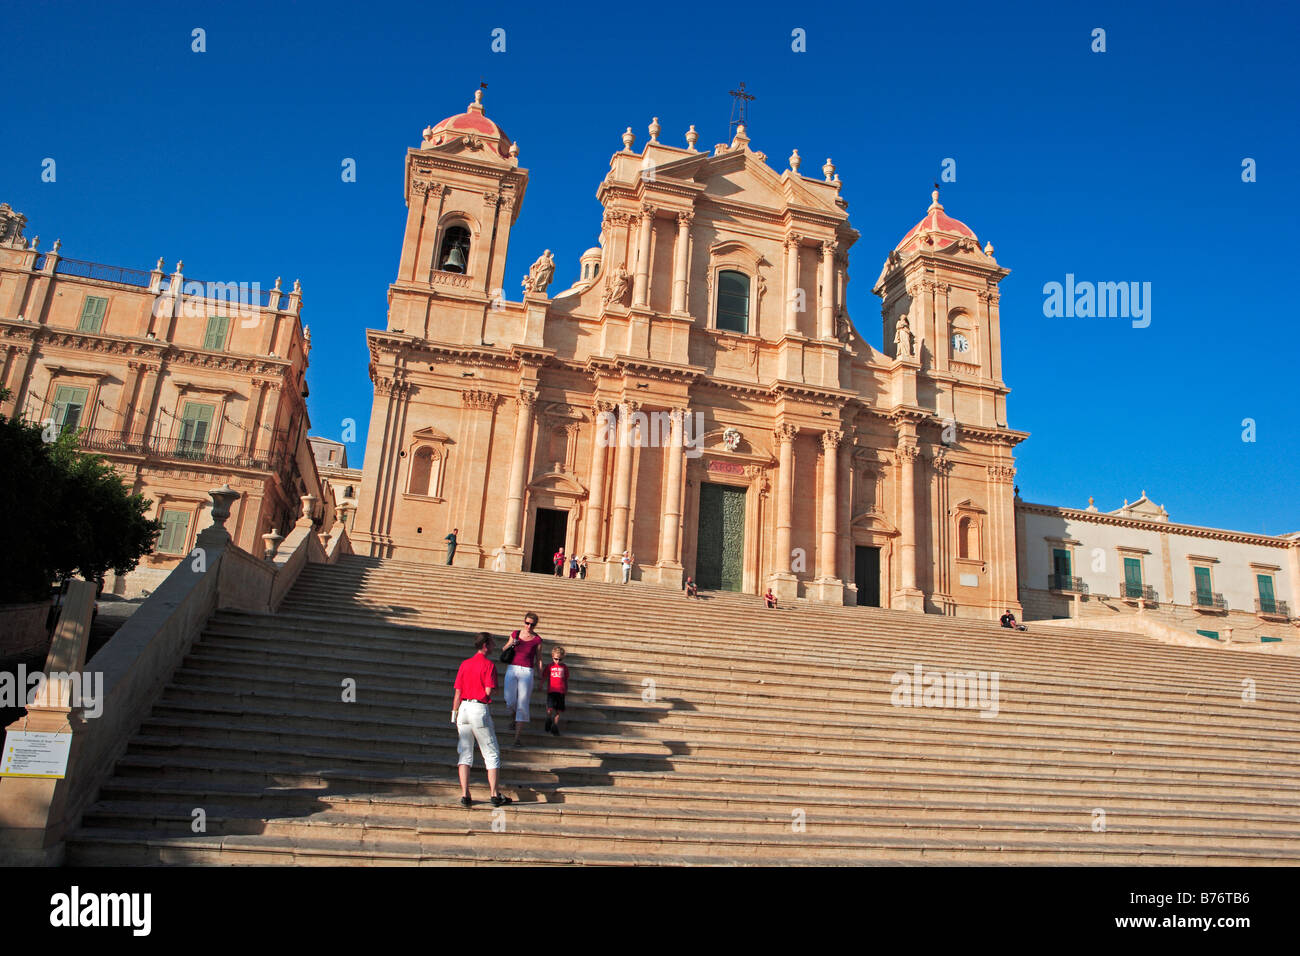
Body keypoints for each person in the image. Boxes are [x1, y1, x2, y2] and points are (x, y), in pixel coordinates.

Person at [451, 632, 511, 808]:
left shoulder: (465, 664)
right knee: (491, 752)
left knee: (464, 752)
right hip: (478, 708)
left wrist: (454, 715)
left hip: (463, 709)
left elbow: (457, 693)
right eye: (492, 643)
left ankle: (465, 794)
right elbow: (488, 691)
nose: (494, 646)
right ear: (485, 645)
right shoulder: (488, 665)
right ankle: (494, 794)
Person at [501, 611, 545, 745]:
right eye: (527, 623)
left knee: (523, 703)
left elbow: (539, 659)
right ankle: (514, 718)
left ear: (535, 625)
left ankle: (517, 738)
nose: (529, 627)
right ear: (524, 622)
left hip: (527, 670)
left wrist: (540, 676)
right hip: (512, 668)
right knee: (509, 700)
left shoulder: (537, 639)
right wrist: (512, 644)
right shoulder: (515, 634)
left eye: (532, 625)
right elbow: (504, 649)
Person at [544, 646, 570, 737]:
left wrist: (566, 689)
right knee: (550, 709)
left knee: (559, 711)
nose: (558, 661)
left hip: (561, 691)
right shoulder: (549, 666)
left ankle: (555, 726)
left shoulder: (565, 667)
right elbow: (544, 676)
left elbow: (566, 679)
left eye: (560, 659)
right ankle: (548, 719)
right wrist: (540, 685)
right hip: (552, 691)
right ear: (552, 656)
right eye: (556, 659)